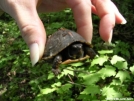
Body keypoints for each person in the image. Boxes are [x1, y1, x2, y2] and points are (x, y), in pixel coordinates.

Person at [0, 0, 126, 66]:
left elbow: (86, 48)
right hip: (57, 50)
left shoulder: (81, 47)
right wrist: (55, 67)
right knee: (58, 57)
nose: (78, 48)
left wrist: (92, 54)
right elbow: (58, 57)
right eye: (76, 48)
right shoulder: (61, 55)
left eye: (79, 47)